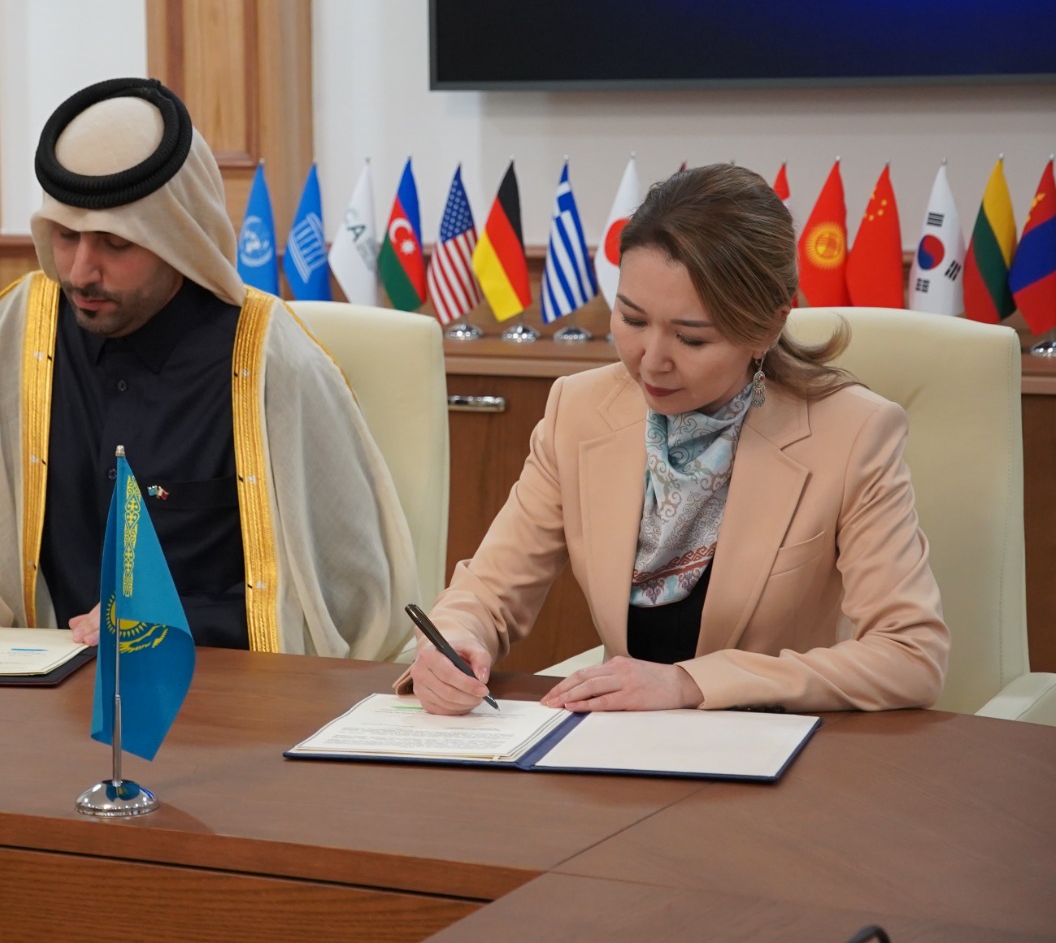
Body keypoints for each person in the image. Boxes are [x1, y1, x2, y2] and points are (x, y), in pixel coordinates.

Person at [0, 77, 420, 660]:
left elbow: (347, 602)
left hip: (217, 690)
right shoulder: (8, 341)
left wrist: (177, 620)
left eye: (114, 244)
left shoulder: (270, 364)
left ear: (178, 239)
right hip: (37, 696)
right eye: (66, 236)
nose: (81, 272)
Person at [406, 163, 949, 715]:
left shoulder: (852, 434)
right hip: (620, 744)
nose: (651, 361)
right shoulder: (579, 409)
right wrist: (454, 641)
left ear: (766, 327)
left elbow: (910, 655)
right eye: (633, 319)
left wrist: (692, 684)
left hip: (772, 744)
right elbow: (487, 592)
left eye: (691, 338)